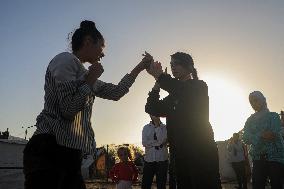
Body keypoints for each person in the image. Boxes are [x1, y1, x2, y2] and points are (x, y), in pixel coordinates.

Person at [23, 20, 151, 189]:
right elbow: (68, 110)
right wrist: (91, 79)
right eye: (101, 47)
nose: (102, 53)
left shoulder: (85, 74)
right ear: (88, 41)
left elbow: (116, 92)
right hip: (49, 149)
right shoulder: (65, 60)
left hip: (69, 152)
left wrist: (140, 68)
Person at [144, 52, 222, 189]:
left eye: (176, 64)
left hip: (201, 151)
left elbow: (182, 90)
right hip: (179, 154)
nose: (173, 67)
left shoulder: (199, 86)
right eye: (171, 65)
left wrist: (161, 76)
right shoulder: (173, 97)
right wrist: (157, 83)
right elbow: (151, 107)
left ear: (189, 66)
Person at [242, 91, 284, 189]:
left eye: (256, 100)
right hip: (258, 159)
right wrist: (261, 134)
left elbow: (271, 134)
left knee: (276, 185)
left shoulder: (273, 116)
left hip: (275, 158)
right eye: (251, 102)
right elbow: (245, 138)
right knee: (257, 185)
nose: (253, 103)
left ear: (263, 100)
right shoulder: (250, 120)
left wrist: (253, 136)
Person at [141, 114, 168, 189]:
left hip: (162, 160)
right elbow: (144, 143)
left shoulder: (165, 127)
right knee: (146, 184)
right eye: (151, 114)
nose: (153, 115)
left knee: (161, 185)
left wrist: (157, 126)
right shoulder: (146, 127)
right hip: (149, 160)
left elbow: (162, 139)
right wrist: (159, 143)